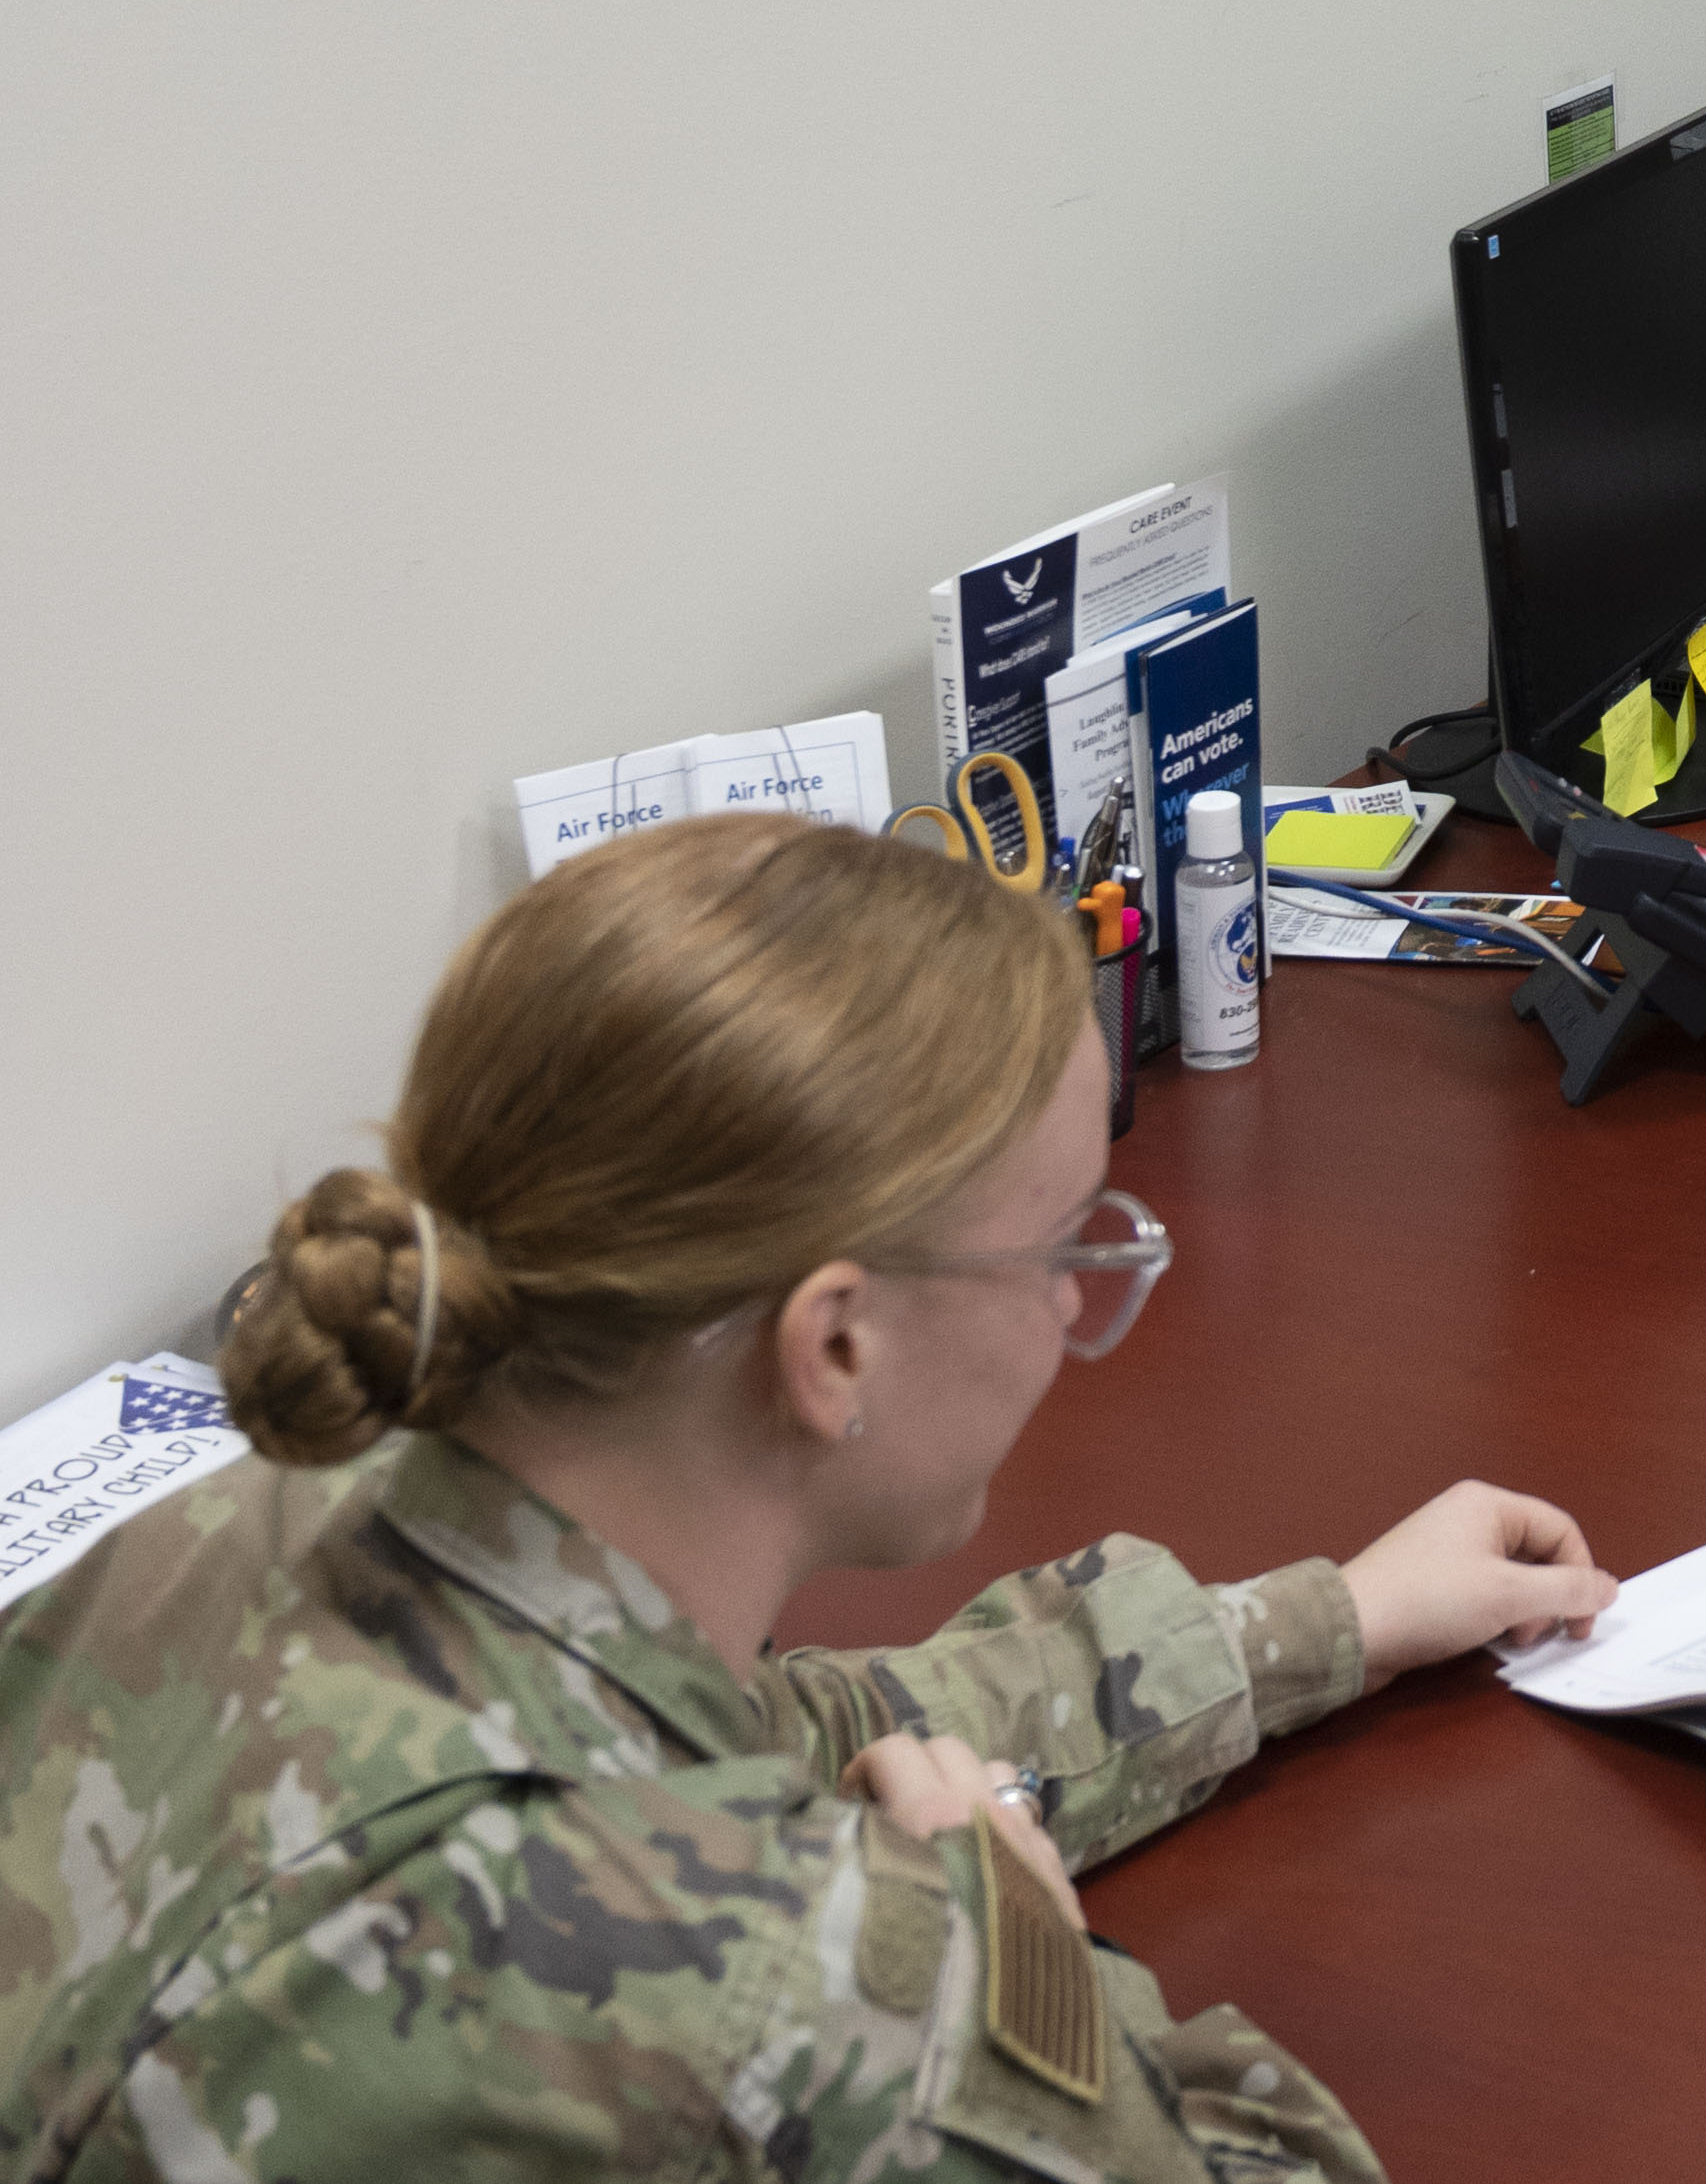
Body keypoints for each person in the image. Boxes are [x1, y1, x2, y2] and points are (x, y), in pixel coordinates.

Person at [0, 814, 1615, 2179]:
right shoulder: (784, 1984)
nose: (1078, 1306)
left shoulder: (222, 1536)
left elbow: (751, 1725)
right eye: (1062, 1247)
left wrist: (1317, 1626)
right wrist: (1034, 1974)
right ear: (834, 1342)